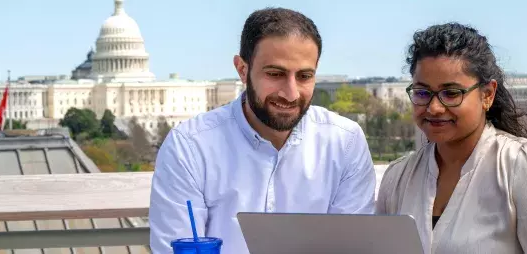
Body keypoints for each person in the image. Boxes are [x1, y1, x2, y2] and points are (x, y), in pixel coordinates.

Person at [149, 7, 377, 253]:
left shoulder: (346, 143)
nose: (291, 93)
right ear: (242, 69)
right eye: (275, 74)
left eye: (304, 76)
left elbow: (351, 248)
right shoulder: (189, 147)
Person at [376, 22, 527, 253]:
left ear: (487, 95)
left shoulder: (524, 169)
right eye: (422, 93)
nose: (434, 108)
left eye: (451, 93)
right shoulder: (398, 178)